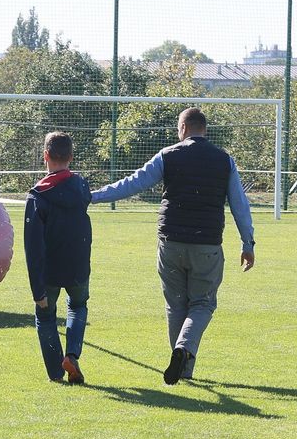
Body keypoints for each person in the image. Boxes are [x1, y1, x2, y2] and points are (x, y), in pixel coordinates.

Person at [90, 108, 255, 385]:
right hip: (207, 244)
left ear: (182, 129)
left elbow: (133, 183)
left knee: (175, 305)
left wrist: (93, 196)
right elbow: (240, 205)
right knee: (202, 304)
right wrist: (247, 242)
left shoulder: (168, 155)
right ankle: (183, 351)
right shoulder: (224, 161)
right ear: (205, 130)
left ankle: (183, 367)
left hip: (171, 242)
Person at [25, 132, 93, 384]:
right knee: (77, 306)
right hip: (78, 264)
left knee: (45, 315)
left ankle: (56, 372)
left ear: (45, 156)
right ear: (71, 157)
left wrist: (37, 290)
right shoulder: (82, 186)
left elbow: (32, 247)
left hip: (49, 269)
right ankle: (72, 355)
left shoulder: (38, 196)